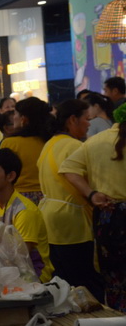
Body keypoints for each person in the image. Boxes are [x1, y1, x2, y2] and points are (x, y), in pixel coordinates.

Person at [38, 99, 104, 301]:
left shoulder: (49, 144)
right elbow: (86, 182)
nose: (89, 123)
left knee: (63, 283)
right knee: (84, 283)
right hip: (72, 222)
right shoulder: (74, 146)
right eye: (86, 118)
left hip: (50, 220)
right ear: (72, 120)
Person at [60, 117, 126, 310]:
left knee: (114, 280)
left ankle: (118, 324)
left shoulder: (96, 141)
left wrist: (92, 193)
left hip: (110, 217)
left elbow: (68, 169)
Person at [0, 149, 53, 283]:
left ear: (10, 176)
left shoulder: (24, 211)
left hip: (34, 276)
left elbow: (21, 256)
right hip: (5, 270)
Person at [1, 97, 56, 204]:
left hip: (19, 199)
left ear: (24, 119)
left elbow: (2, 176)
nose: (13, 118)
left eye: (15, 114)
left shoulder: (10, 143)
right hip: (49, 197)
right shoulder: (51, 141)